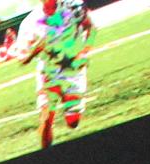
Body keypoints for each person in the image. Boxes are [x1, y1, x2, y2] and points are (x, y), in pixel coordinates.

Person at [15, 0, 93, 150]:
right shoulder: (29, 23)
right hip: (48, 72)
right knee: (46, 119)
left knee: (73, 122)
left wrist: (84, 50)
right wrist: (37, 48)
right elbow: (22, 59)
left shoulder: (71, 7)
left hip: (72, 69)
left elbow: (89, 26)